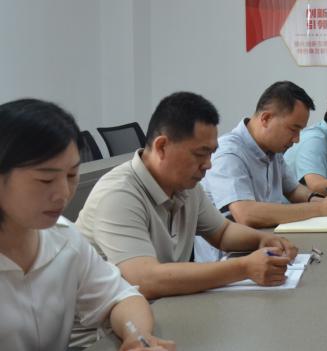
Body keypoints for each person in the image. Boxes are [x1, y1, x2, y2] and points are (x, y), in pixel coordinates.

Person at [0, 99, 176, 351]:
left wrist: (137, 336)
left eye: (71, 175)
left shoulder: (63, 239)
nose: (63, 194)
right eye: (45, 179)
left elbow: (121, 297)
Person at [76, 92, 298, 299]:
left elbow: (222, 233)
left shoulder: (186, 186)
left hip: (162, 308)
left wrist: (262, 240)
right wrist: (244, 268)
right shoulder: (118, 194)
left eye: (211, 154)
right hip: (106, 326)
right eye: (200, 154)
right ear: (162, 147)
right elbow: (145, 280)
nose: (208, 165)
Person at [202, 81, 327, 228]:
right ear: (266, 119)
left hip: (268, 237)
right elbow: (246, 214)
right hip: (239, 244)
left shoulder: (273, 149)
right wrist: (320, 208)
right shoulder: (228, 153)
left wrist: (319, 200)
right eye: (293, 129)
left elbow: (293, 190)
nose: (297, 139)